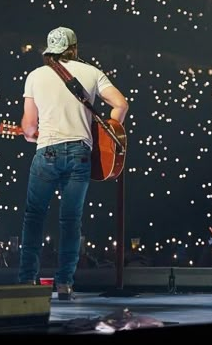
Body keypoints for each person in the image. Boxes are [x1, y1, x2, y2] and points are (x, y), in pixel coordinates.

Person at [18, 26, 129, 300]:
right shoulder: (92, 72)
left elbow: (30, 128)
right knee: (70, 220)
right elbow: (121, 104)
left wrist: (33, 136)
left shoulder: (35, 76)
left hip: (47, 153)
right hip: (80, 153)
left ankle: (26, 281)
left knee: (34, 217)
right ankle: (65, 284)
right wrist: (105, 135)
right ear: (74, 48)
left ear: (49, 50)